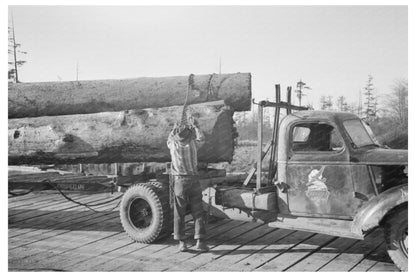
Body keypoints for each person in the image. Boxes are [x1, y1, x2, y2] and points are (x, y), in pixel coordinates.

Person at [167, 116, 209, 253]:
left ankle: (182, 243)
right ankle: (200, 242)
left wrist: (175, 127)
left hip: (180, 182)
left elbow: (169, 139)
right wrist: (195, 126)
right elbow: (202, 138)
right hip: (194, 180)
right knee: (198, 212)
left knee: (179, 212)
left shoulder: (173, 145)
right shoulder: (193, 144)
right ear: (190, 135)